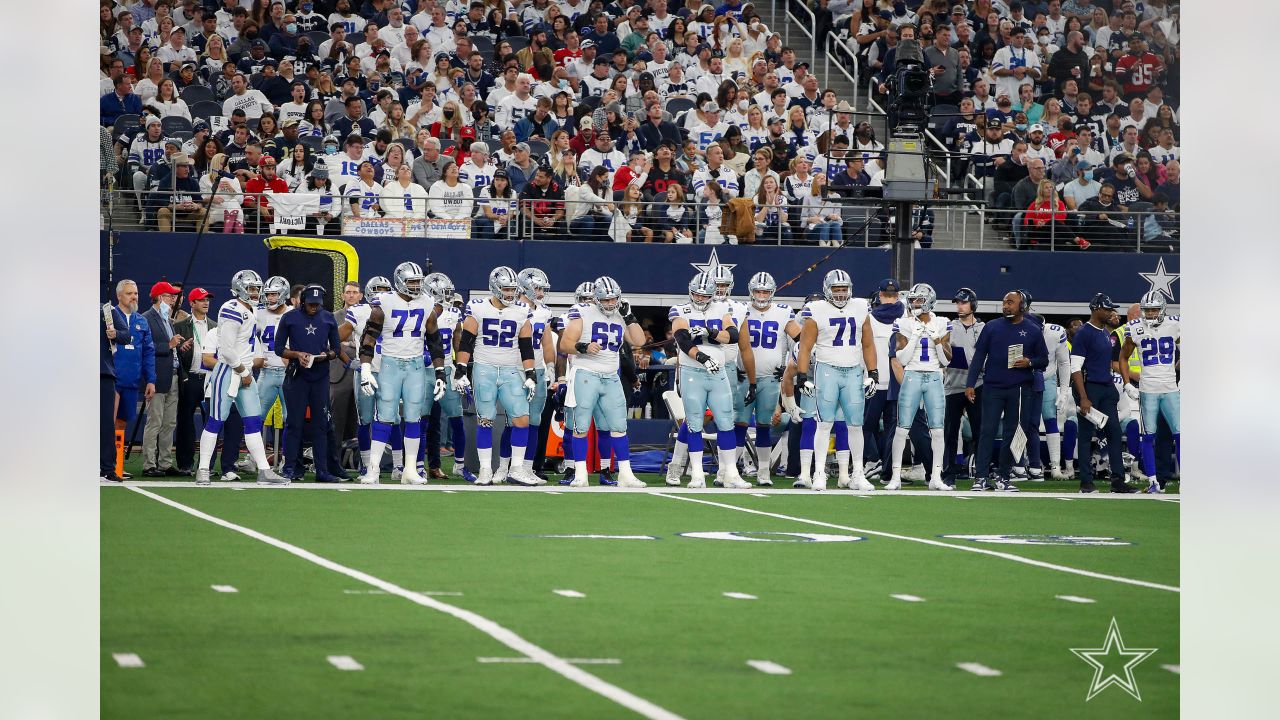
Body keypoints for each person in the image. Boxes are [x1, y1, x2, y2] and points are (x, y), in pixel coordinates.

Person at [195, 270, 290, 485]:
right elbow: (227, 350)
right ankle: (202, 469)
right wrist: (244, 372)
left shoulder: (252, 310)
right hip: (229, 372)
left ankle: (264, 471)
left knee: (253, 422)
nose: (256, 293)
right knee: (216, 420)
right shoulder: (231, 309)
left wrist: (246, 373)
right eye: (252, 289)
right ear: (239, 289)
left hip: (244, 374)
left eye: (257, 288)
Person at [355, 262, 445, 485]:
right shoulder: (383, 303)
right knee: (385, 415)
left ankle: (410, 470)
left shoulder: (427, 303)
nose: (416, 286)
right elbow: (368, 338)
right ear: (399, 282)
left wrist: (440, 372)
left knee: (414, 416)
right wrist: (365, 367)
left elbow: (435, 341)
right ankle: (373, 469)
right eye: (411, 282)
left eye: (418, 282)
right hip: (390, 364)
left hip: (415, 365)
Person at [451, 266, 542, 486]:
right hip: (485, 369)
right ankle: (484, 470)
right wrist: (461, 369)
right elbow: (466, 341)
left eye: (513, 289)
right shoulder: (478, 307)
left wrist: (530, 373)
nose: (510, 293)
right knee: (485, 420)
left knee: (522, 419)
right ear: (494, 287)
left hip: (512, 370)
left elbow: (526, 346)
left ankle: (517, 469)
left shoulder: (522, 310)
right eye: (506, 288)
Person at [558, 276, 647, 487]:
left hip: (611, 376)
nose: (609, 303)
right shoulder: (581, 312)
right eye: (605, 300)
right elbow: (565, 344)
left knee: (618, 425)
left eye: (613, 299)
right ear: (596, 299)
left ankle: (625, 473)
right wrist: (583, 347)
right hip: (586, 374)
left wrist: (630, 316)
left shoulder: (621, 314)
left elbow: (639, 341)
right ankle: (580, 472)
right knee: (581, 425)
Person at [794, 270, 879, 491]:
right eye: (836, 289)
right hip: (827, 370)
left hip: (853, 371)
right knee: (824, 424)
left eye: (844, 289)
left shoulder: (860, 307)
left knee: (855, 425)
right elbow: (805, 347)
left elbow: (868, 343)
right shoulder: (816, 310)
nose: (841, 294)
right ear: (827, 290)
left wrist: (873, 372)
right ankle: (819, 472)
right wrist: (803, 376)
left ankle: (858, 473)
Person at [668, 271, 749, 488]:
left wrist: (709, 331)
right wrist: (703, 358)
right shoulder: (680, 310)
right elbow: (683, 340)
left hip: (718, 371)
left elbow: (732, 336)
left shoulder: (722, 309)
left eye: (705, 295)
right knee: (694, 422)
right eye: (697, 294)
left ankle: (731, 473)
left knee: (725, 421)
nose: (700, 298)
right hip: (692, 372)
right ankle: (697, 474)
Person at [963, 290, 1049, 492]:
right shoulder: (992, 327)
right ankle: (981, 477)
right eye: (1004, 302)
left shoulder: (1033, 329)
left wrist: (1030, 362)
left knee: (1017, 433)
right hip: (993, 387)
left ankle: (1005, 476)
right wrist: (970, 384)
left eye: (1011, 302)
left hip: (1020, 388)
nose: (1006, 306)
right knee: (987, 431)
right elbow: (978, 357)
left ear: (1022, 306)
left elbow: (1044, 359)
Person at [274, 285, 347, 482]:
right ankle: (290, 468)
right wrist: (297, 354)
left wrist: (327, 355)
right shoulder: (289, 317)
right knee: (294, 422)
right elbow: (278, 348)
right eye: (311, 304)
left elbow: (337, 348)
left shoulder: (328, 318)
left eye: (317, 304)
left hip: (320, 375)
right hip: (297, 375)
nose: (314, 308)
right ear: (302, 300)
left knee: (321, 424)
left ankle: (322, 470)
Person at [886, 284, 953, 491]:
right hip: (913, 375)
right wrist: (915, 336)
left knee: (938, 430)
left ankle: (936, 477)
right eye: (912, 299)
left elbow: (946, 361)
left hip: (934, 376)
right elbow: (903, 359)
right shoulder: (902, 323)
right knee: (902, 427)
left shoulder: (942, 323)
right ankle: (895, 477)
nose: (914, 303)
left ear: (929, 301)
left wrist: (937, 341)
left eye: (919, 300)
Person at [1070, 293, 1136, 493]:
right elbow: (1076, 368)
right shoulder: (1084, 333)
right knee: (1086, 435)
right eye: (1107, 309)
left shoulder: (1105, 333)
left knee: (1115, 432)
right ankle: (1086, 482)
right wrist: (1083, 396)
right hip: (1090, 387)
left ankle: (1117, 481)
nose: (1110, 312)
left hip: (1106, 387)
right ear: (1096, 309)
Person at [740, 272, 800, 486]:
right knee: (739, 424)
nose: (762, 295)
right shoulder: (740, 309)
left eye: (765, 291)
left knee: (764, 425)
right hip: (744, 376)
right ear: (751, 291)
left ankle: (763, 471)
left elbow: (798, 335)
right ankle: (729, 471)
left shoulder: (783, 312)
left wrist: (806, 347)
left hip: (770, 377)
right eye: (758, 291)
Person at [1118, 292, 1180, 493]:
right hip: (1148, 390)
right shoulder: (1135, 328)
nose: (1151, 314)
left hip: (1171, 388)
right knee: (1149, 436)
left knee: (1180, 435)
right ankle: (1153, 481)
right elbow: (1123, 357)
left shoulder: (1175, 324)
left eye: (1154, 309)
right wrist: (1127, 383)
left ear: (1162, 309)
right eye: (1147, 310)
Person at [140, 281, 185, 476]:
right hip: (157, 377)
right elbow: (145, 348)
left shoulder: (167, 319)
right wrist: (169, 345)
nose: (173, 300)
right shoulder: (146, 318)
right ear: (160, 298)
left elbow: (169, 346)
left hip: (173, 374)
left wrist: (178, 347)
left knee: (169, 423)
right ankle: (149, 464)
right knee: (155, 421)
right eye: (170, 296)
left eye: (173, 296)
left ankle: (165, 463)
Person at [941, 287, 984, 487]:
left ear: (972, 304)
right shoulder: (949, 327)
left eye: (963, 302)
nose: (959, 306)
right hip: (953, 385)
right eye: (958, 303)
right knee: (950, 432)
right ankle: (949, 473)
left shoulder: (984, 328)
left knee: (980, 430)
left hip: (977, 385)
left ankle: (981, 473)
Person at [172, 287, 213, 474]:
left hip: (210, 379)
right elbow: (174, 354)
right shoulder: (180, 325)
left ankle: (207, 465)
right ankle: (185, 463)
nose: (206, 303)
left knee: (211, 423)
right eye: (202, 300)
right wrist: (181, 350)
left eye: (207, 300)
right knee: (185, 422)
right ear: (192, 303)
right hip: (191, 378)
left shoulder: (216, 326)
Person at [252, 275, 290, 468]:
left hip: (287, 373)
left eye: (274, 294)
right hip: (266, 372)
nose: (270, 298)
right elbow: (247, 337)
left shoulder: (292, 313)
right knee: (255, 415)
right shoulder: (259, 313)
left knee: (289, 419)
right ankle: (253, 458)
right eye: (268, 294)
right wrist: (256, 355)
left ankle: (287, 459)